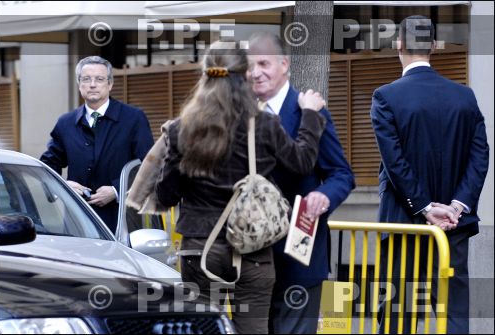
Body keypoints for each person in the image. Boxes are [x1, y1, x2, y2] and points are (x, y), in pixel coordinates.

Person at [156, 41, 327, 334]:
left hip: (200, 249)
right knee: (253, 328)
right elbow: (302, 162)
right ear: (245, 74)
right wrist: (311, 114)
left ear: (204, 75)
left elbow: (166, 195)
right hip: (253, 250)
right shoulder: (264, 124)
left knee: (203, 328)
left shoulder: (181, 128)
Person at [370, 15, 489, 334]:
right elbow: (480, 156)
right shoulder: (464, 97)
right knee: (453, 315)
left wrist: (424, 207)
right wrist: (457, 205)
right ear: (434, 46)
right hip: (454, 226)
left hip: (403, 225)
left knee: (399, 317)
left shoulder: (385, 97)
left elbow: (394, 162)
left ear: (399, 44)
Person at [247, 32, 355, 334]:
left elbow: (341, 173)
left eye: (264, 63)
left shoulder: (312, 112)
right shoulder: (241, 115)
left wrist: (323, 196)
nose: (256, 73)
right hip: (250, 257)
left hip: (298, 252)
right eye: (250, 66)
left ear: (285, 64)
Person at [41, 56, 154, 232]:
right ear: (79, 84)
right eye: (86, 79)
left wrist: (116, 191)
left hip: (122, 220)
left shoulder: (133, 119)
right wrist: (63, 185)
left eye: (99, 79)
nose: (92, 84)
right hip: (77, 220)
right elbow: (47, 165)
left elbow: (149, 165)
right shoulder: (66, 123)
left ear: (110, 84)